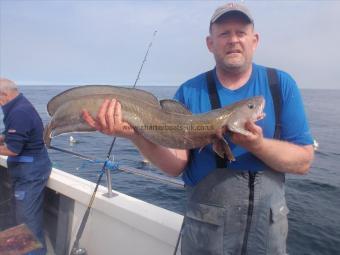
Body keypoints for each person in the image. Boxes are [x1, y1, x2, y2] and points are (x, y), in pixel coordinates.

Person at [82, 3, 314, 254]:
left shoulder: (281, 85)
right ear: (210, 43)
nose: (233, 40)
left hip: (267, 236)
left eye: (241, 32)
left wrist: (256, 144)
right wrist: (134, 135)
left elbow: (303, 162)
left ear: (254, 40)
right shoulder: (189, 91)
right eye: (224, 33)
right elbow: (175, 165)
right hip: (205, 236)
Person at [0, 78, 52, 255]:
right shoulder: (17, 105)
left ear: (4, 95)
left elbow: (13, 149)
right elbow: (13, 136)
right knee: (20, 219)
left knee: (28, 222)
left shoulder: (19, 112)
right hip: (24, 171)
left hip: (30, 173)